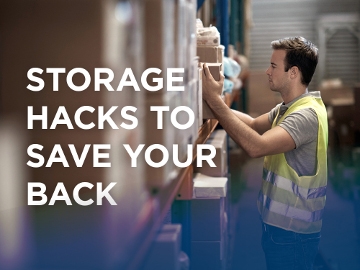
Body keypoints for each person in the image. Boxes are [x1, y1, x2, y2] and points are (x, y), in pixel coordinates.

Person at [202, 36, 328, 270]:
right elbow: (250, 125)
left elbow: (256, 146)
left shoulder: (305, 115)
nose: (267, 71)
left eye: (273, 66)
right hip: (280, 230)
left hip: (294, 235)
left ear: (293, 72)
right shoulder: (288, 108)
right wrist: (213, 103)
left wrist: (214, 101)